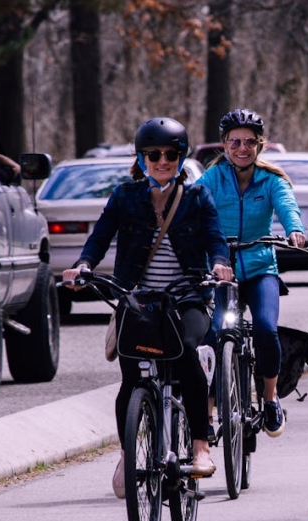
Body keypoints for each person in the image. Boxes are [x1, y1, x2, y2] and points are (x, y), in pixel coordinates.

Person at [62, 117, 233, 498]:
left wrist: (220, 263)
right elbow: (100, 237)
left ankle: (200, 447)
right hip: (137, 300)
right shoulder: (125, 197)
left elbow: (215, 238)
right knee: (132, 379)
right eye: (153, 155)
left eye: (170, 155)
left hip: (186, 296)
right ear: (141, 159)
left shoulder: (196, 198)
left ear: (181, 157)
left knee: (186, 352)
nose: (162, 161)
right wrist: (84, 267)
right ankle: (128, 452)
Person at [196, 108, 305, 438]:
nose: (242, 148)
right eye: (234, 142)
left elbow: (288, 207)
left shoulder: (272, 180)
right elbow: (192, 206)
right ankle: (209, 412)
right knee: (213, 334)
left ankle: (269, 400)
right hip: (221, 271)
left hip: (260, 269)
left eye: (249, 142)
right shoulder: (211, 179)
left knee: (265, 330)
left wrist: (295, 230)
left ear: (260, 145)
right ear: (225, 145)